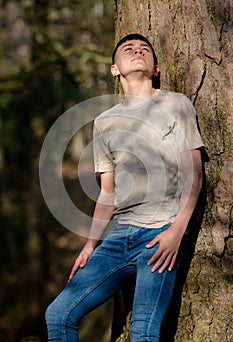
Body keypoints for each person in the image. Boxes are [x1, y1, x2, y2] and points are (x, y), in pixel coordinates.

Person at [45, 33, 204, 341]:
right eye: (128, 49)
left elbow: (194, 173)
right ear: (114, 69)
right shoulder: (104, 121)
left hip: (160, 235)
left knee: (143, 334)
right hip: (117, 238)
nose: (137, 50)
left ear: (156, 68)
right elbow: (108, 191)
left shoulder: (176, 104)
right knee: (58, 314)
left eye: (144, 49)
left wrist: (177, 231)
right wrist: (91, 244)